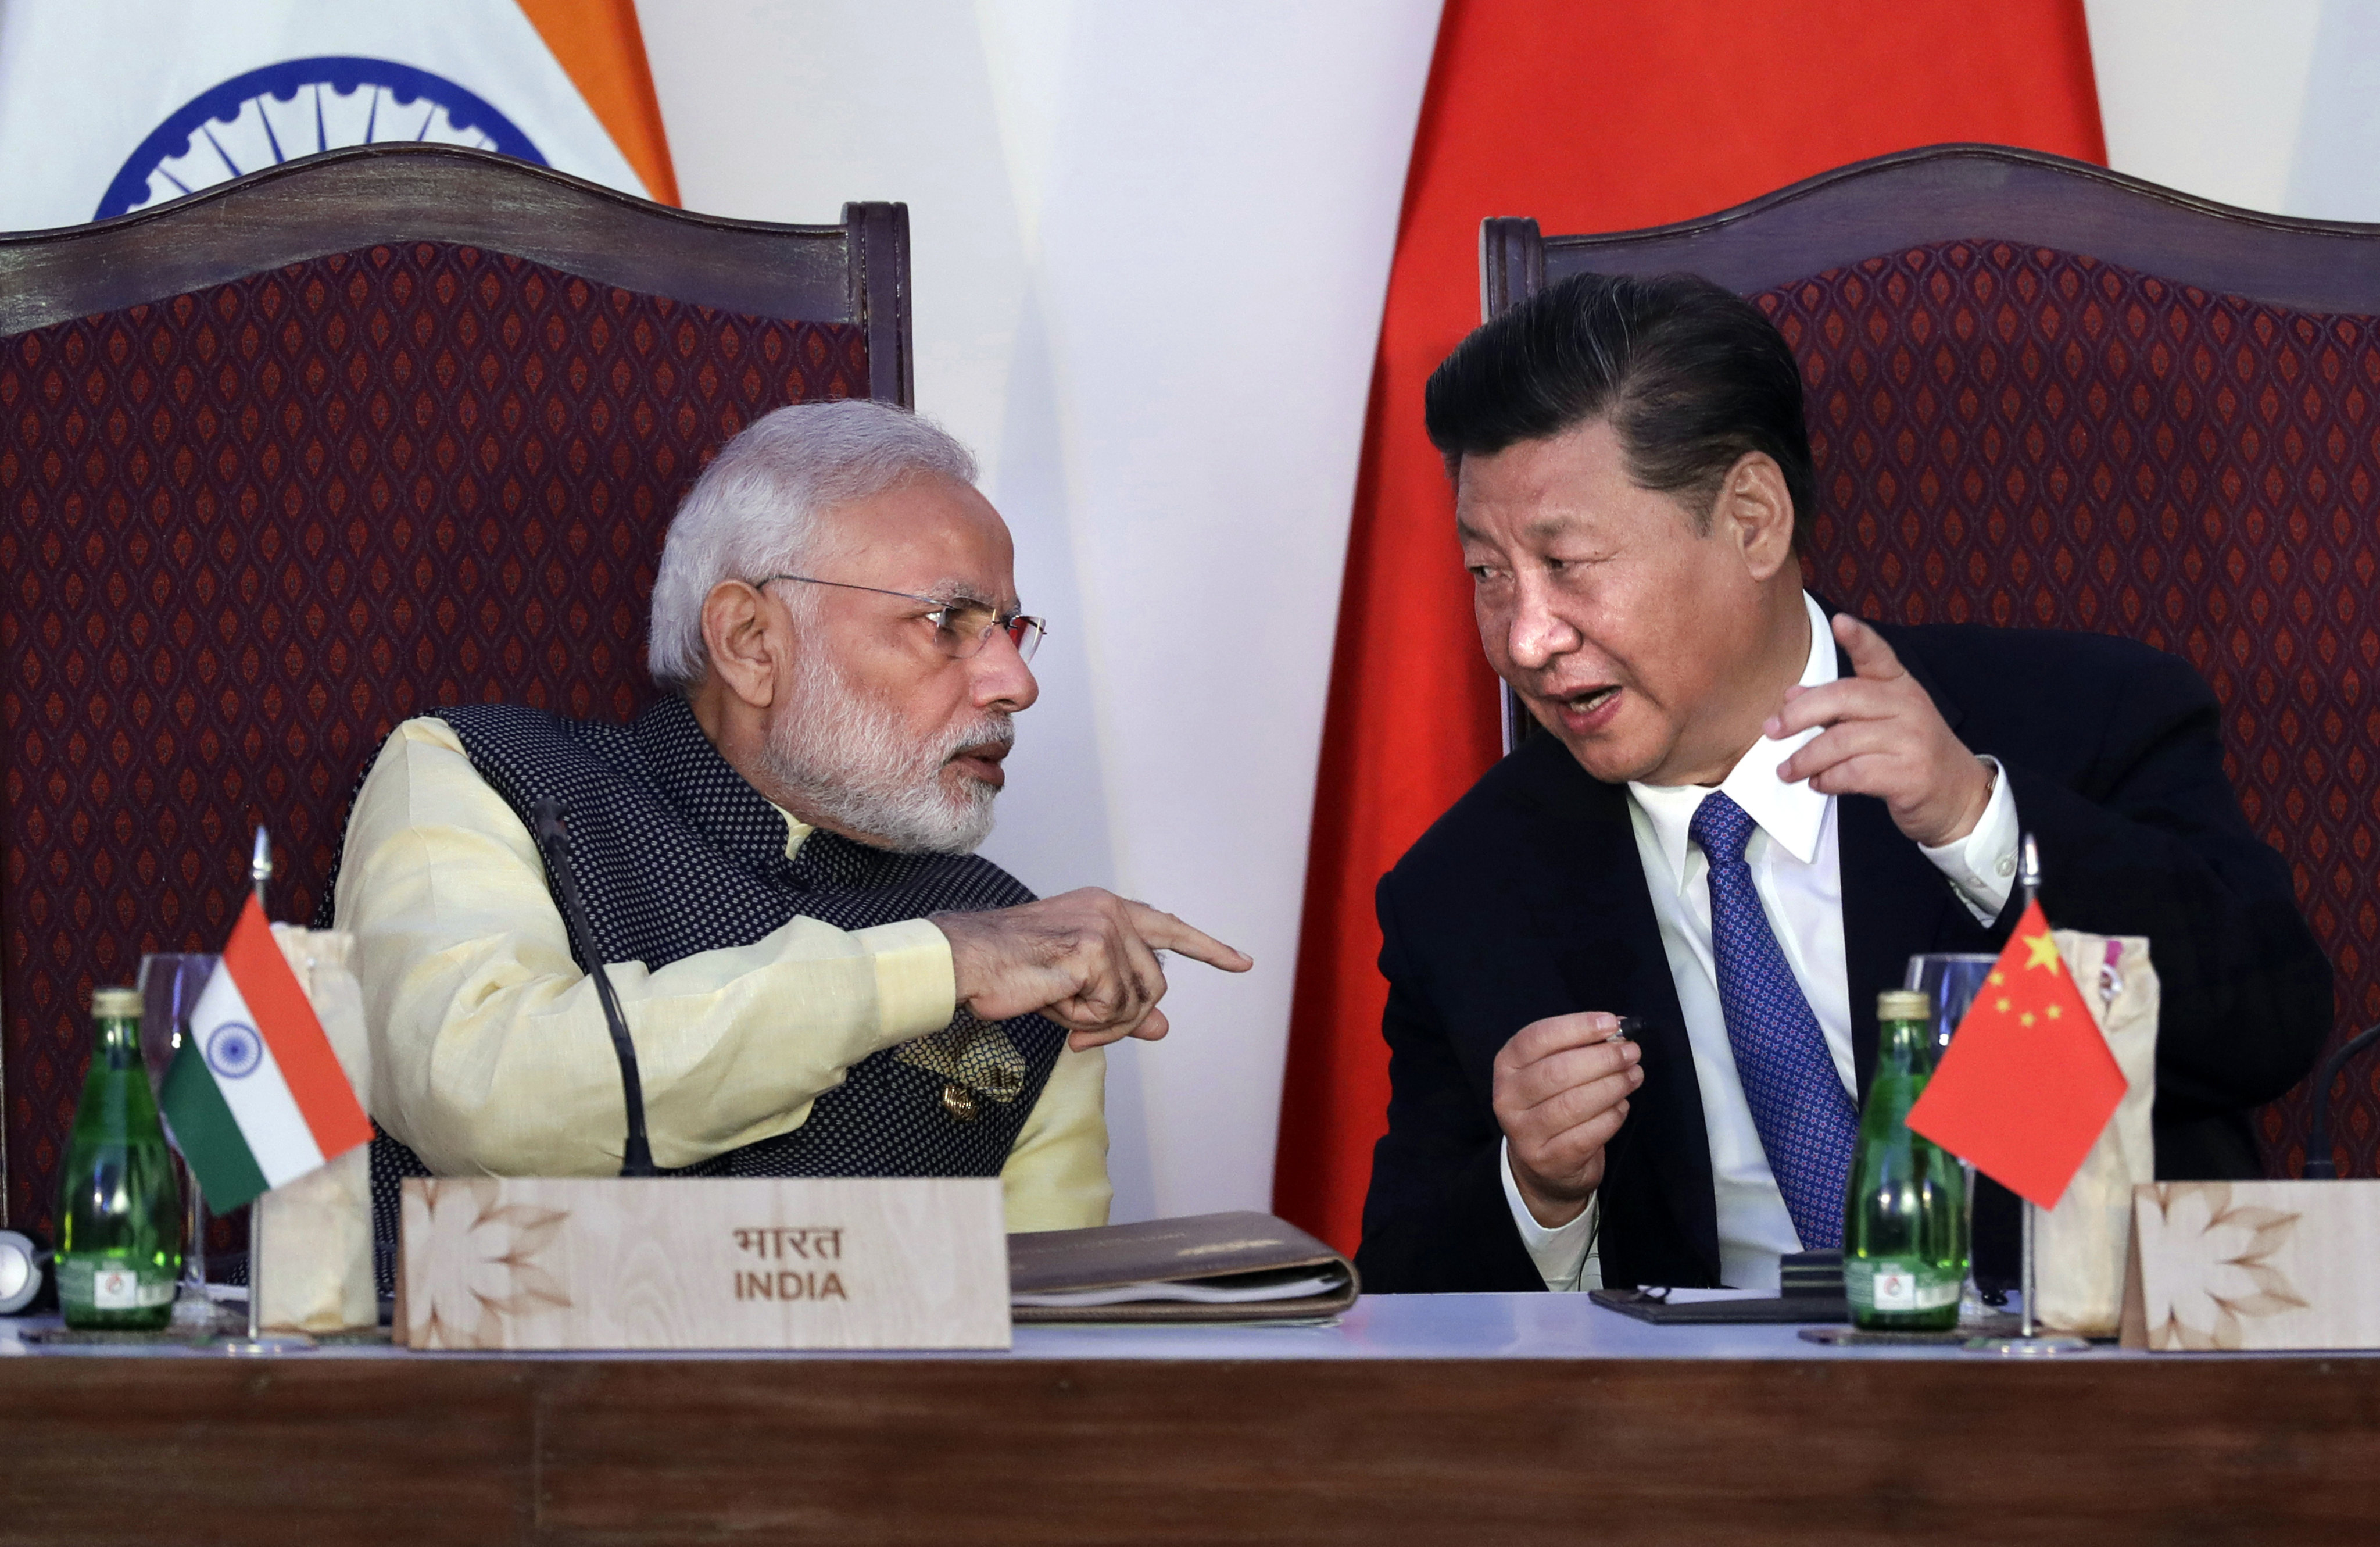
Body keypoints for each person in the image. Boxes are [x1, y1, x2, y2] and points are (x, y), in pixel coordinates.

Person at [1354, 272, 2331, 1295]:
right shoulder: (1467, 891)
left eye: (1568, 562)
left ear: (1752, 520)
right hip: (1696, 1443)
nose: (1526, 637)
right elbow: (1405, 1308)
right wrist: (1537, 1188)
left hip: (2070, 1414)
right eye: (1488, 573)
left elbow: (2266, 1029)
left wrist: (1978, 823)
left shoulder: (2076, 725)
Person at [332, 399, 1250, 1259]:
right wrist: (938, 966)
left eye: (1010, 628)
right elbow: (486, 1097)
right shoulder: (477, 772)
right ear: (750, 643)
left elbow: (1039, 1357)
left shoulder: (1021, 940)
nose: (1016, 682)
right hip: (495, 1423)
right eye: (950, 623)